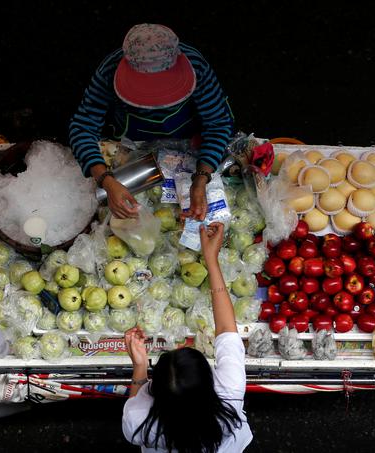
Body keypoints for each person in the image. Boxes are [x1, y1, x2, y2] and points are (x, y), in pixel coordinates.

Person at [69, 23, 235, 220]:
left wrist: (201, 178)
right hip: (134, 140)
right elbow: (82, 127)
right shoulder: (109, 71)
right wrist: (106, 180)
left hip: (186, 138)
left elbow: (218, 123)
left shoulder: (196, 66)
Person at [122, 222, 252, 452]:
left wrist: (139, 366)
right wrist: (212, 260)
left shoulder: (138, 421)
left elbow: (136, 400)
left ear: (154, 393)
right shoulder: (229, 394)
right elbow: (226, 329)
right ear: (210, 381)